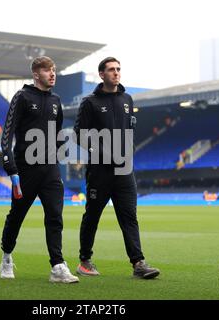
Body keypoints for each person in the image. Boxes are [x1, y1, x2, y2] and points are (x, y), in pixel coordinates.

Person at [73, 57, 160, 279]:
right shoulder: (89, 102)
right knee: (92, 215)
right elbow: (79, 135)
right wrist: (103, 152)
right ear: (101, 74)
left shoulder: (127, 99)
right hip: (100, 171)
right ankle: (84, 260)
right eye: (111, 69)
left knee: (129, 216)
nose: (116, 73)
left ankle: (139, 263)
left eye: (118, 69)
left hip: (124, 170)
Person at [0, 56, 79, 284]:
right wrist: (11, 168)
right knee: (17, 216)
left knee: (55, 216)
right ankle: (6, 256)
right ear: (36, 74)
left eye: (54, 70)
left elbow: (57, 133)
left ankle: (57, 266)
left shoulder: (56, 100)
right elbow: (7, 135)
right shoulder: (22, 97)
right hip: (25, 171)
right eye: (47, 71)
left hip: (50, 170)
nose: (52, 74)